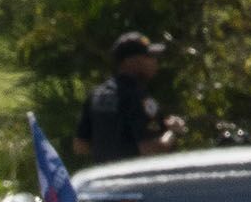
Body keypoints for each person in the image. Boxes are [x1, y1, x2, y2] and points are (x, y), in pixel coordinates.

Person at [74, 33, 183, 164]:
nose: (155, 61)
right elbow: (154, 148)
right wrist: (173, 131)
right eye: (149, 56)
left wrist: (114, 150)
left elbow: (80, 146)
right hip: (135, 179)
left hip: (105, 178)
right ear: (130, 61)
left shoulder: (97, 95)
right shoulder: (138, 97)